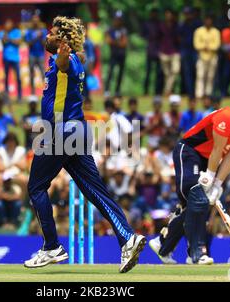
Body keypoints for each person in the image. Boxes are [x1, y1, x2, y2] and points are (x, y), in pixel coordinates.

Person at [25, 16, 146, 272]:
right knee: (95, 191)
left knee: (36, 188)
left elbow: (63, 63)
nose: (46, 35)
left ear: (61, 41)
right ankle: (128, 238)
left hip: (59, 132)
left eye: (51, 32)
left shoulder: (66, 61)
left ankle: (51, 247)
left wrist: (63, 55)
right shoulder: (75, 61)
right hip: (77, 132)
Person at [148, 107, 230, 264]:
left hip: (206, 160)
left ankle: (163, 244)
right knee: (199, 200)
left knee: (195, 205)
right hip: (188, 152)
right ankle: (197, 254)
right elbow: (217, 149)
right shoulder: (227, 118)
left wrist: (217, 185)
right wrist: (210, 176)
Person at [193, 14, 221, 100]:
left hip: (212, 57)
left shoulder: (216, 31)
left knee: (210, 76)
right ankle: (199, 94)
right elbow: (196, 45)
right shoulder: (198, 31)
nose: (208, 22)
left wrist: (208, 47)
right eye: (207, 20)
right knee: (200, 75)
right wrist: (204, 47)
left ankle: (208, 94)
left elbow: (217, 45)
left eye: (210, 20)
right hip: (201, 57)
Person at [178, 6, 201, 99]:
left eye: (188, 14)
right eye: (185, 14)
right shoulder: (182, 25)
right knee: (186, 73)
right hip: (185, 50)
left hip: (195, 51)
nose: (187, 16)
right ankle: (189, 92)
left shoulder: (197, 24)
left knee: (196, 72)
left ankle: (195, 92)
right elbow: (179, 37)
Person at [104, 11, 128, 97]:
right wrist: (118, 42)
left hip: (122, 55)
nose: (118, 21)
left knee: (120, 74)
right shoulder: (110, 29)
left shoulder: (124, 30)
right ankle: (107, 90)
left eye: (120, 19)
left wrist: (115, 42)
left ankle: (117, 91)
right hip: (113, 54)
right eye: (117, 19)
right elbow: (108, 40)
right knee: (110, 73)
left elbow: (124, 43)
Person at [0, 18, 22, 102]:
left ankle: (19, 96)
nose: (7, 26)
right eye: (6, 24)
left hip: (15, 58)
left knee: (18, 78)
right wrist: (9, 38)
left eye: (9, 24)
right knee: (6, 78)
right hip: (6, 58)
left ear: (12, 25)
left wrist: (9, 39)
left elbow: (18, 43)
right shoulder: (2, 33)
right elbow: (3, 42)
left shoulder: (17, 32)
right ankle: (6, 97)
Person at [159, 9, 180, 96]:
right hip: (163, 52)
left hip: (174, 51)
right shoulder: (161, 25)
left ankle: (167, 90)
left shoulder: (176, 26)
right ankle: (168, 91)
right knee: (167, 74)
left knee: (175, 70)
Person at [142, 8, 163, 96]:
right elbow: (143, 34)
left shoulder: (160, 24)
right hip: (150, 50)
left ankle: (157, 91)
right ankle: (146, 91)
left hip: (158, 50)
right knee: (148, 72)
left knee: (158, 73)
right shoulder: (146, 24)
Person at [25, 14, 47, 96]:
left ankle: (46, 91)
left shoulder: (43, 31)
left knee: (43, 74)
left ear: (39, 21)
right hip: (32, 55)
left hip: (41, 55)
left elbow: (45, 44)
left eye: (36, 21)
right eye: (34, 21)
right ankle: (32, 92)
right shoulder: (29, 31)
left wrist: (41, 37)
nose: (35, 22)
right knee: (31, 74)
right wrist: (36, 37)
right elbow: (28, 43)